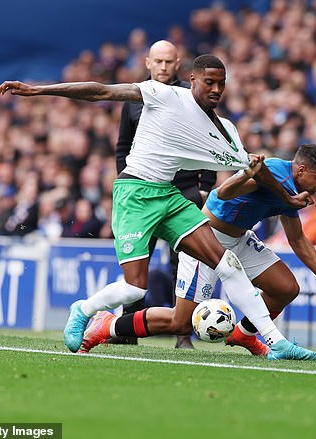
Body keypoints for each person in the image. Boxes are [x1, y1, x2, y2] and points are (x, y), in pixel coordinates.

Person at [0, 54, 316, 361]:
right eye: (209, 82)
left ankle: (275, 341)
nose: (215, 89)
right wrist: (39, 90)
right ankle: (85, 310)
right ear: (192, 78)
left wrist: (289, 199)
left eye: (221, 84)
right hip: (135, 192)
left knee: (227, 264)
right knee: (133, 287)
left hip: (169, 195)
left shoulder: (225, 130)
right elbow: (101, 92)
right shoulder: (164, 94)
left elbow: (256, 170)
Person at [79, 144, 316, 355]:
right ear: (301, 170)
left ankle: (244, 335)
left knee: (286, 288)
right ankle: (108, 325)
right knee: (180, 322)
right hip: (206, 239)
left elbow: (298, 240)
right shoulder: (272, 170)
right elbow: (223, 192)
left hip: (239, 240)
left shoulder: (294, 191)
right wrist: (245, 176)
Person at [112, 40, 217, 350]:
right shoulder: (134, 97)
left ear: (178, 63)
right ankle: (125, 330)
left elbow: (212, 140)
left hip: (183, 190)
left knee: (183, 264)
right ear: (147, 63)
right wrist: (125, 180)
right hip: (142, 191)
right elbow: (123, 147)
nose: (162, 67)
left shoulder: (191, 95)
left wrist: (205, 186)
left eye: (168, 62)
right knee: (137, 266)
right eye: (157, 61)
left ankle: (183, 334)